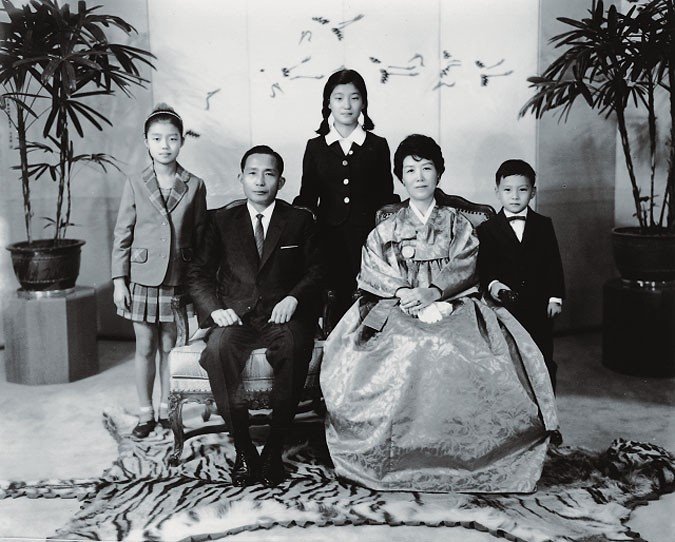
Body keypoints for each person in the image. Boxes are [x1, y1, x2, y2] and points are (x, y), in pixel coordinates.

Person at [321, 135, 559, 493]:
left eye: (426, 168)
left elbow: (467, 262)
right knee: (402, 346)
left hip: (453, 300)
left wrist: (433, 292)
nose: (419, 177)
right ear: (400, 177)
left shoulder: (456, 223)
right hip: (397, 302)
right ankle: (400, 451)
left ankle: (460, 450)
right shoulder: (387, 227)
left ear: (439, 173)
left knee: (459, 347)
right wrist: (404, 292)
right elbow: (373, 267)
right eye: (410, 170)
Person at [188, 145, 322, 487]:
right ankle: (244, 449)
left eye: (269, 174)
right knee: (218, 350)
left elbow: (318, 270)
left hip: (283, 316)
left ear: (281, 181)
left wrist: (294, 297)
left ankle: (274, 448)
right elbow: (199, 274)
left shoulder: (299, 220)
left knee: (294, 348)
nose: (260, 181)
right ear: (241, 178)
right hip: (236, 316)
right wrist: (216, 310)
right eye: (252, 173)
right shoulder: (221, 221)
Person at [112, 103, 207, 438]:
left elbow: (200, 236)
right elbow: (122, 233)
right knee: (144, 346)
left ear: (182, 141)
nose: (164, 145)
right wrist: (119, 280)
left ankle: (168, 409)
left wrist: (198, 283)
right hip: (141, 279)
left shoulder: (194, 185)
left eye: (172, 138)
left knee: (169, 346)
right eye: (157, 138)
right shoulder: (136, 182)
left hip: (177, 278)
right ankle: (145, 413)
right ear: (146, 142)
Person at [294, 68, 399, 322]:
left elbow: (386, 198)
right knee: (334, 300)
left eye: (354, 97)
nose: (347, 105)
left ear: (363, 102)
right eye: (339, 98)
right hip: (327, 238)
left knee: (369, 300)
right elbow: (307, 198)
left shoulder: (378, 145)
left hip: (368, 238)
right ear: (328, 103)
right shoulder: (315, 147)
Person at [476, 159, 565, 390]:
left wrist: (555, 297)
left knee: (543, 355)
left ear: (533, 192)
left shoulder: (543, 224)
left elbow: (553, 263)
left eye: (522, 190)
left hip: (538, 305)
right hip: (506, 307)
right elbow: (485, 268)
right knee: (509, 356)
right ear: (497, 192)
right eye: (507, 190)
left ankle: (547, 404)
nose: (514, 196)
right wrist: (494, 285)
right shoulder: (487, 229)